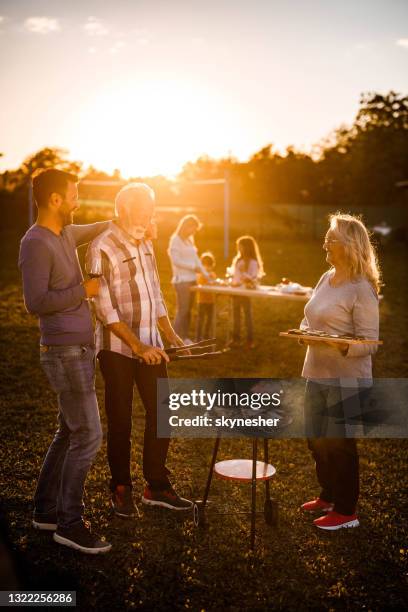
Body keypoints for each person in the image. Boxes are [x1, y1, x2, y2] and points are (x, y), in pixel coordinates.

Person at [18, 168, 112, 554]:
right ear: (55, 199)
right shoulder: (35, 243)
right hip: (63, 352)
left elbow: (101, 224)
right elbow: (34, 303)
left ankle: (45, 511)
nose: (78, 201)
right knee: (89, 434)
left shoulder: (66, 233)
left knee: (69, 430)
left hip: (80, 348)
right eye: (74, 195)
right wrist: (83, 291)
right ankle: (70, 523)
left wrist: (129, 217)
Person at [87, 183, 193, 518]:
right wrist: (138, 345)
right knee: (120, 421)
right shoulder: (101, 246)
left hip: (152, 346)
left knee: (162, 414)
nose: (150, 214)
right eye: (145, 207)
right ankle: (121, 489)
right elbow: (104, 309)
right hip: (117, 349)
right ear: (125, 209)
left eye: (152, 207)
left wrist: (171, 336)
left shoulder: (146, 241)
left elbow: (154, 294)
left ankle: (156, 486)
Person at [299, 213, 380, 530]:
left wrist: (341, 345)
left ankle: (346, 511)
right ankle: (328, 494)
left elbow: (370, 341)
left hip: (346, 377)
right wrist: (304, 331)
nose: (325, 244)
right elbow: (311, 318)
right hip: (315, 371)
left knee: (338, 442)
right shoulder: (325, 277)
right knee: (315, 438)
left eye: (331, 239)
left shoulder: (362, 289)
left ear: (348, 245)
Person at [168, 214, 209, 344]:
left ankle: (184, 337)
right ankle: (174, 339)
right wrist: (193, 267)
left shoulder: (190, 240)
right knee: (182, 311)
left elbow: (196, 259)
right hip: (182, 281)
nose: (193, 232)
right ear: (186, 226)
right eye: (192, 228)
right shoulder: (175, 240)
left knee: (189, 311)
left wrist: (206, 275)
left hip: (192, 280)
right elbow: (176, 261)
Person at [229, 235, 264, 349]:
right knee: (235, 315)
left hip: (245, 292)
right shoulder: (238, 260)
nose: (238, 249)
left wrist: (244, 272)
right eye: (238, 246)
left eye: (240, 247)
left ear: (247, 248)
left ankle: (250, 340)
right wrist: (232, 281)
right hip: (236, 291)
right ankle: (236, 338)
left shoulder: (253, 262)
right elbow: (235, 276)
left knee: (247, 315)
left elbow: (252, 279)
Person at [196, 252, 217, 341]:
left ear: (212, 265)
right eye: (205, 265)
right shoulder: (200, 275)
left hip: (211, 301)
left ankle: (206, 335)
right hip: (202, 300)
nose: (207, 267)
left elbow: (214, 283)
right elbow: (200, 283)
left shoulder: (212, 274)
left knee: (209, 319)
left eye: (209, 265)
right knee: (201, 319)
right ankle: (198, 337)